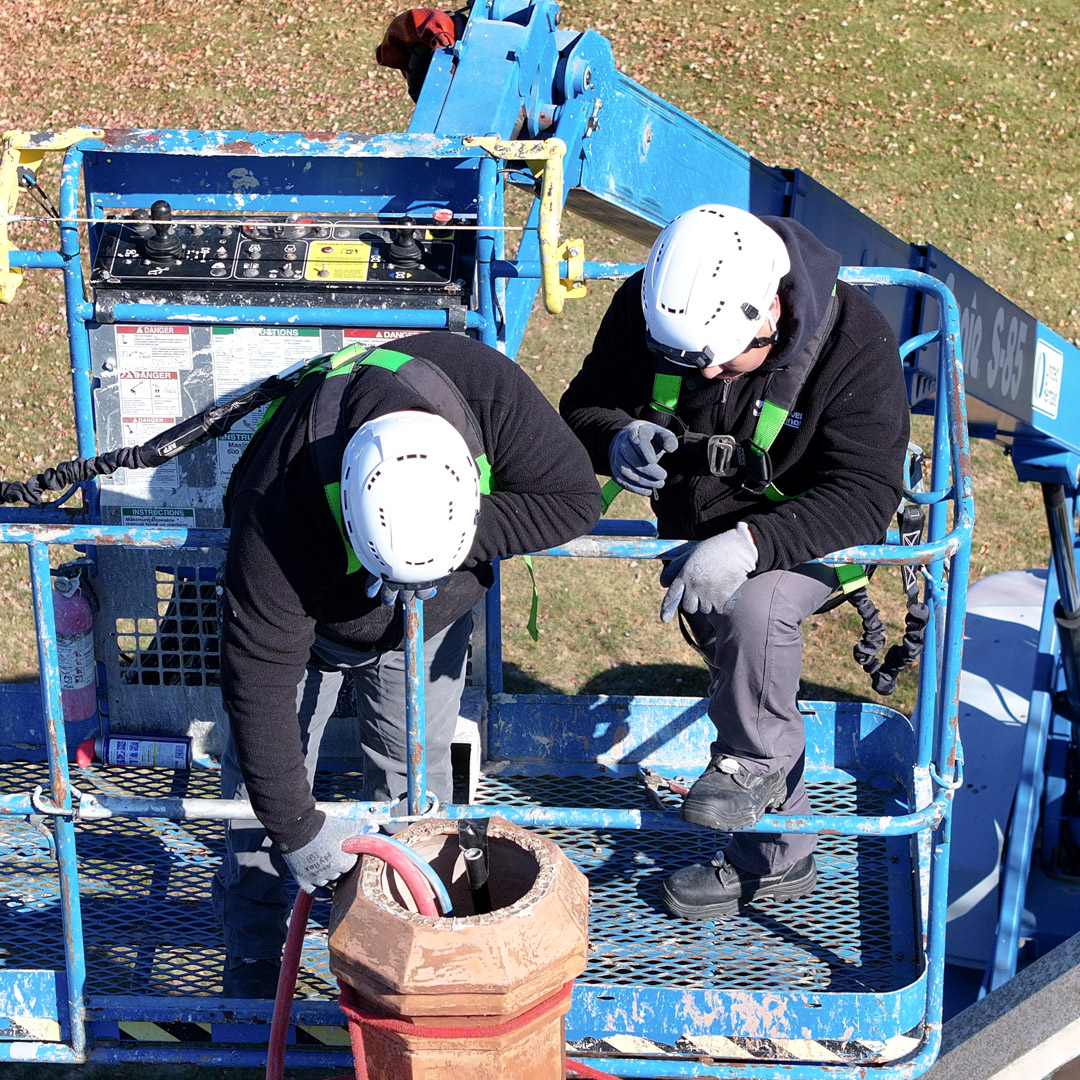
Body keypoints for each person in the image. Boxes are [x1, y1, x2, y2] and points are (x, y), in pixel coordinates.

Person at [215, 331, 601, 996]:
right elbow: (259, 689)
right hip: (310, 630)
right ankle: (254, 957)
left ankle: (417, 956)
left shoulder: (483, 390)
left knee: (417, 795)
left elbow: (572, 499)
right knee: (262, 799)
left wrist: (450, 547)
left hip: (429, 626)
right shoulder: (276, 503)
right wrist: (298, 828)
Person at [559, 204, 909, 920]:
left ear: (773, 311)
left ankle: (758, 796)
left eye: (724, 356)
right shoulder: (657, 306)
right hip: (702, 529)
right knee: (745, 658)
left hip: (810, 528)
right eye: (691, 362)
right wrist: (617, 436)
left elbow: (867, 494)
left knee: (754, 611)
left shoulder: (855, 340)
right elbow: (584, 405)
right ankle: (780, 846)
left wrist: (750, 546)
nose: (710, 374)